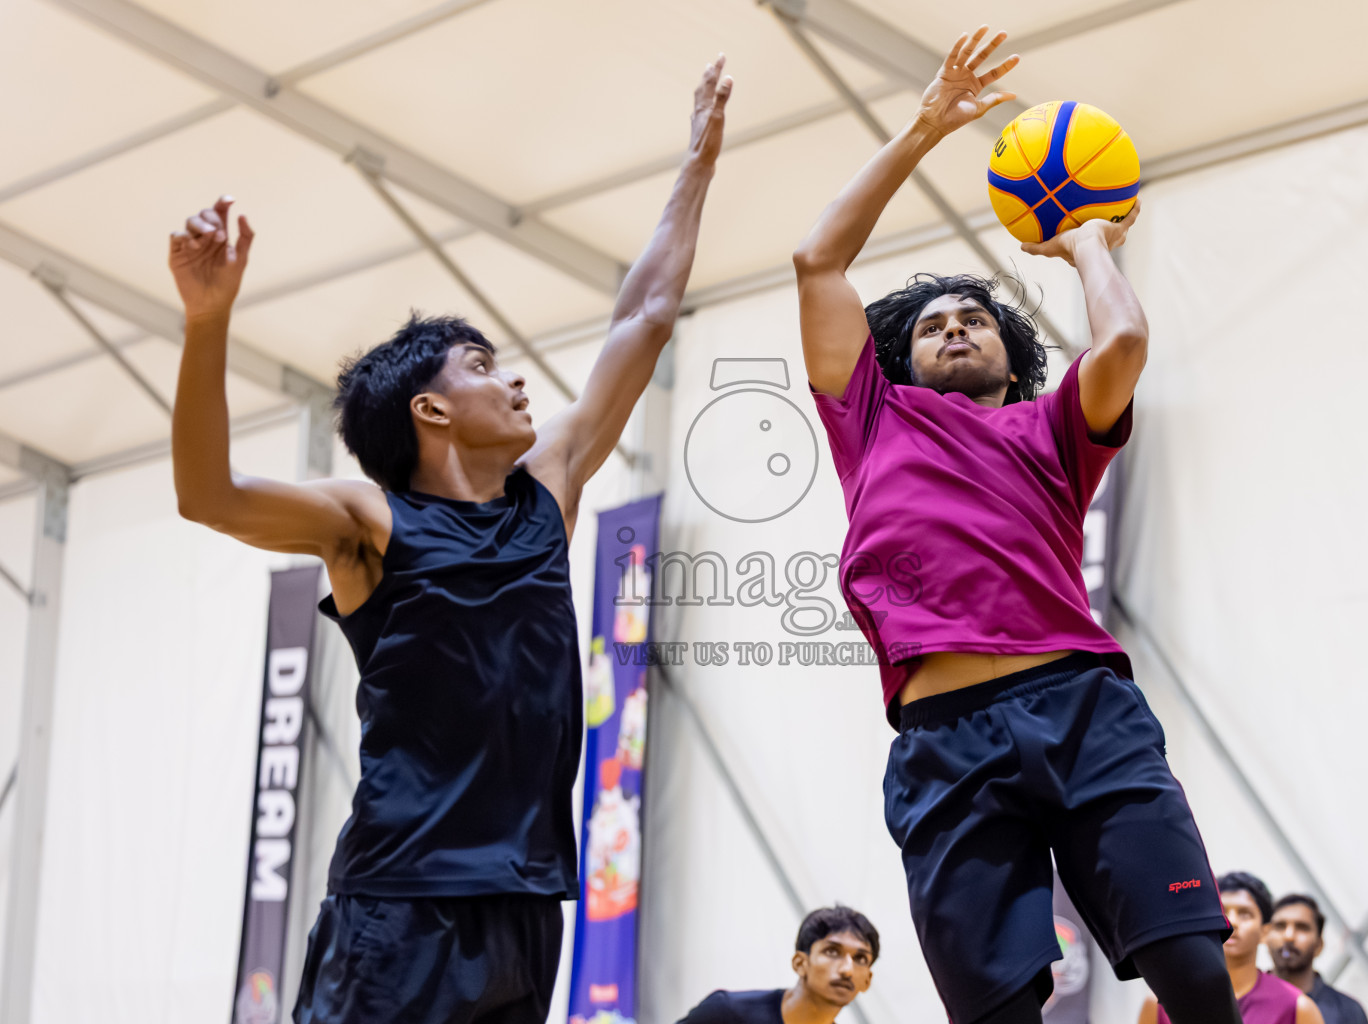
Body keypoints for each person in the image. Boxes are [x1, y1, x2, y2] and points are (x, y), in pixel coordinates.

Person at [167, 58, 733, 1024]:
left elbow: (644, 317)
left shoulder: (545, 496)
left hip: (526, 903)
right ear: (429, 409)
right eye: (484, 365)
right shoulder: (369, 523)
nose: (516, 382)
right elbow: (208, 495)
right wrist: (208, 321)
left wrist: (697, 164)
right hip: (401, 902)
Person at [791, 23, 1240, 1024]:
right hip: (943, 742)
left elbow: (1123, 338)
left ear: (1013, 352)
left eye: (977, 317)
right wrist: (923, 127)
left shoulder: (1056, 427)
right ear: (901, 360)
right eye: (932, 324)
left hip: (1083, 711)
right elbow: (817, 258)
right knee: (997, 1013)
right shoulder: (873, 418)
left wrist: (1084, 239)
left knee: (1197, 978)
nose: (955, 325)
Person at [1141, 873, 1324, 1024]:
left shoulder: (1297, 1008)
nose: (1232, 921)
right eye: (1222, 911)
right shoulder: (1162, 1001)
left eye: (1245, 914)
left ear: (1265, 932)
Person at [676, 906, 878, 1024]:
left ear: (867, 981)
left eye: (860, 959)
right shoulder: (726, 1012)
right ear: (800, 963)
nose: (847, 970)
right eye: (832, 952)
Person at [1266, 895, 1368, 1024]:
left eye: (1302, 927)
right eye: (1280, 926)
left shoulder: (1347, 1012)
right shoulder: (1243, 1002)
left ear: (1319, 945)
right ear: (1265, 938)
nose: (1289, 936)